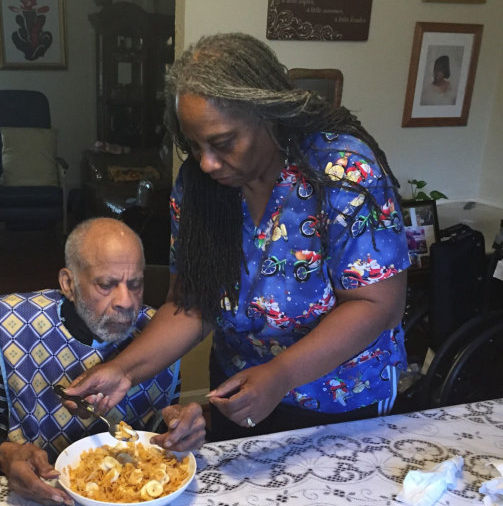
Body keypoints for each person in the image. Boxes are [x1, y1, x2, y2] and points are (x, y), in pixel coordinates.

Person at [63, 32, 409, 441]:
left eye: (223, 143)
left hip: (344, 400)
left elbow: (378, 304)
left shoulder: (342, 172)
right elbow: (193, 304)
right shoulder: (199, 190)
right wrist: (125, 369)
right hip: (239, 390)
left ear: (268, 114)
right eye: (194, 146)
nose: (207, 163)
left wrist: (281, 374)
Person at [0, 217, 205, 504]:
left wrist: (177, 428)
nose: (127, 302)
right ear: (68, 283)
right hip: (39, 498)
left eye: (136, 284)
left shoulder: (161, 336)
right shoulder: (15, 328)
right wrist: (4, 455)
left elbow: (157, 427)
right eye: (106, 284)